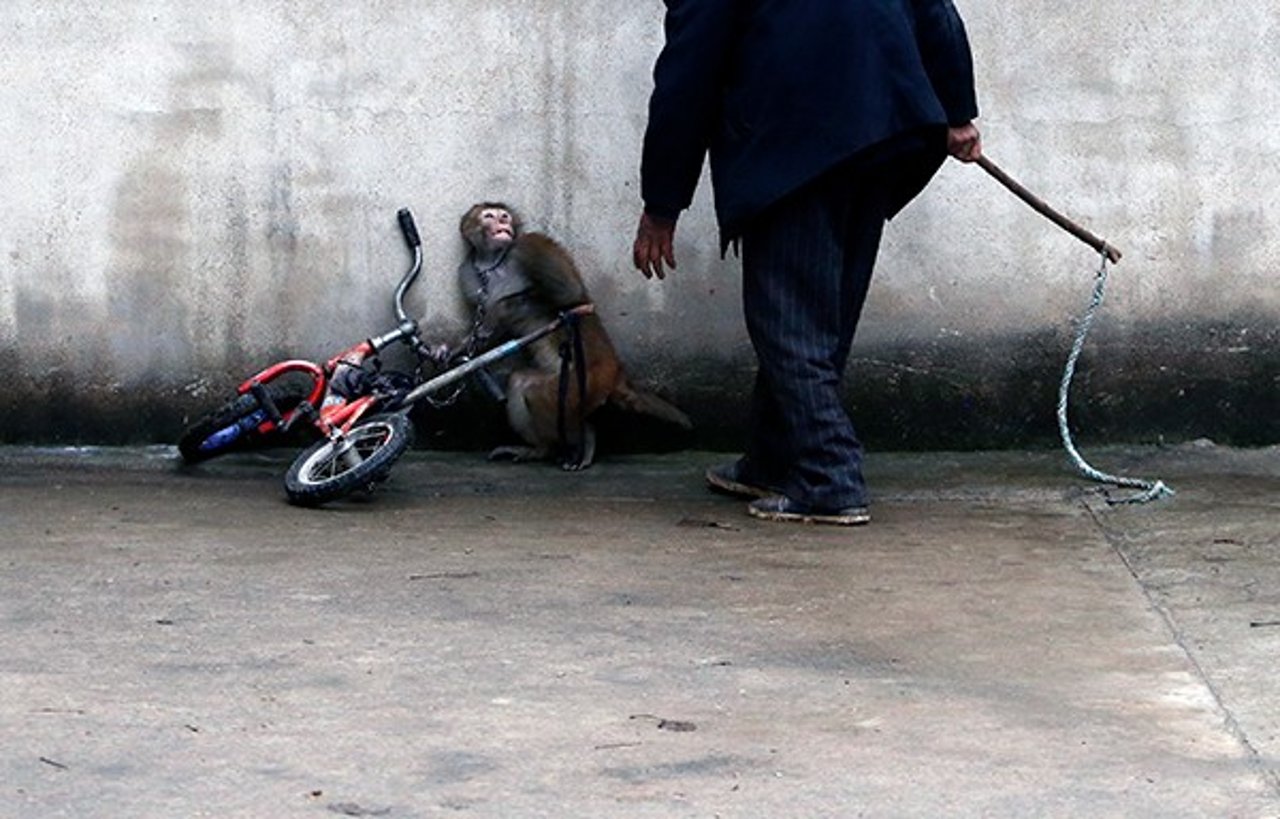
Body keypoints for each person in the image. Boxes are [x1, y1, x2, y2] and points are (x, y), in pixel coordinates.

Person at [632, 0, 983, 526]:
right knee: (819, 314)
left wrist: (662, 203)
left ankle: (829, 478)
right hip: (885, 135)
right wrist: (956, 112)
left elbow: (689, 78)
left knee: (790, 326)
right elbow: (936, 12)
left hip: (796, 144)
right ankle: (775, 460)